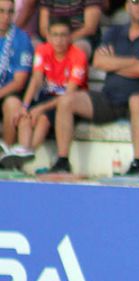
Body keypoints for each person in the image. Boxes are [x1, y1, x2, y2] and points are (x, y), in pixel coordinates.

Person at [47, 0, 139, 177]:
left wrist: (115, 64)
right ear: (127, 6)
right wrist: (135, 62)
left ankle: (137, 164)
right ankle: (63, 160)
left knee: (137, 100)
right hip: (111, 97)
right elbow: (98, 61)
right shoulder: (114, 32)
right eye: (135, 2)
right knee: (67, 101)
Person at [1, 16, 85, 169]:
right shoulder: (42, 50)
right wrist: (25, 106)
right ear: (48, 36)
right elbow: (36, 79)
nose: (59, 40)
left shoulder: (78, 55)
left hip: (68, 102)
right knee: (25, 116)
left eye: (63, 35)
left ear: (70, 37)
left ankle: (28, 150)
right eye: (55, 35)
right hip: (47, 97)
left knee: (43, 119)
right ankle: (23, 150)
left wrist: (40, 108)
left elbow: (70, 94)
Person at [0, 0, 34, 148]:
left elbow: (19, 81)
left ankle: (6, 157)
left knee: (13, 105)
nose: (6, 16)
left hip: (9, 92)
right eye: (1, 11)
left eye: (10, 12)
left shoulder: (21, 39)